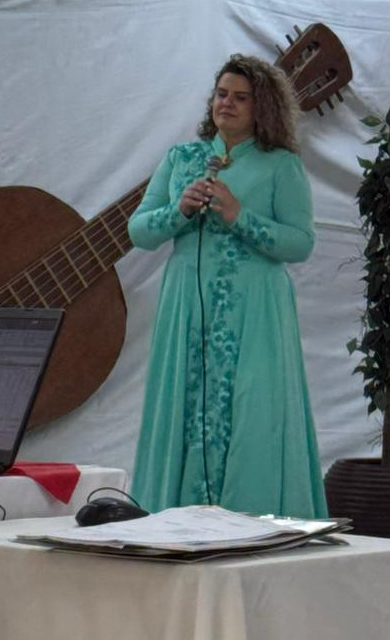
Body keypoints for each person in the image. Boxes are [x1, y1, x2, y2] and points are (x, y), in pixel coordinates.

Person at [128, 54, 328, 517]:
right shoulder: (181, 159)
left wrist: (240, 216)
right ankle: (177, 520)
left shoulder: (280, 165)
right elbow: (139, 232)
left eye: (241, 98)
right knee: (184, 407)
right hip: (187, 308)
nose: (227, 104)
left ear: (262, 108)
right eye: (221, 94)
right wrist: (179, 210)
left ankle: (252, 520)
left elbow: (300, 243)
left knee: (254, 408)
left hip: (254, 312)